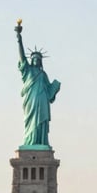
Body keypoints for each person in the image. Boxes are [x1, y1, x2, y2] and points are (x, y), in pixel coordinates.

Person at [15, 20, 61, 148]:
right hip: (31, 101)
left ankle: (42, 143)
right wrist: (19, 39)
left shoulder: (43, 74)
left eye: (38, 59)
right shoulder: (27, 71)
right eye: (34, 59)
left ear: (40, 61)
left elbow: (50, 94)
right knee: (30, 123)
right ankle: (30, 142)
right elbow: (22, 57)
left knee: (41, 123)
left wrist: (55, 88)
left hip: (42, 101)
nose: (35, 60)